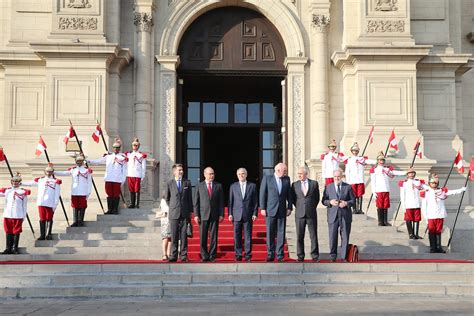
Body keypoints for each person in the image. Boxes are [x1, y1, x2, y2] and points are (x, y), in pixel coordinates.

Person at [420, 173, 466, 253]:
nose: (434, 184)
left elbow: (452, 192)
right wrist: (426, 218)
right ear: (429, 183)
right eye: (432, 183)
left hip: (440, 214)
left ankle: (438, 247)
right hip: (431, 215)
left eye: (435, 183)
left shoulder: (441, 191)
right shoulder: (426, 192)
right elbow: (424, 207)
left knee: (438, 231)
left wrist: (461, 190)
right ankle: (432, 248)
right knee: (432, 231)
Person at [259, 162, 293, 262]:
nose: (286, 172)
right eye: (285, 171)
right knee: (270, 233)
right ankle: (270, 254)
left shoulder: (287, 179)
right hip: (270, 210)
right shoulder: (267, 178)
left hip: (282, 210)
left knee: (281, 232)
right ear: (278, 170)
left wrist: (290, 207)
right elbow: (262, 194)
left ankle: (280, 255)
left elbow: (289, 195)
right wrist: (262, 208)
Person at [321, 169, 356, 262]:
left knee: (345, 236)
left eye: (338, 176)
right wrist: (330, 202)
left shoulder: (348, 187)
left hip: (345, 215)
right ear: (333, 177)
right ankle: (333, 256)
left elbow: (353, 201)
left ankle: (344, 256)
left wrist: (346, 203)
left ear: (342, 177)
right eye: (335, 176)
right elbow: (323, 200)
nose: (337, 178)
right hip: (333, 215)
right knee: (332, 236)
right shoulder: (328, 187)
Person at [88, 138, 127, 215]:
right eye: (115, 148)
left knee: (115, 194)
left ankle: (115, 209)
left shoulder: (122, 157)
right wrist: (88, 160)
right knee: (109, 194)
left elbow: (124, 170)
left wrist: (123, 179)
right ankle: (110, 209)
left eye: (117, 148)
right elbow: (98, 161)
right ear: (113, 148)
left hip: (117, 178)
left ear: (119, 149)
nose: (116, 149)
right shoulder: (108, 156)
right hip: (109, 178)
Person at [23, 163, 62, 240]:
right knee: (42, 218)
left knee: (49, 218)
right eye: (47, 171)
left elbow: (57, 194)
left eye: (50, 171)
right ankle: (42, 235)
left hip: (50, 202)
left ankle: (48, 234)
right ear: (44, 172)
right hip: (41, 202)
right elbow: (31, 183)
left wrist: (55, 204)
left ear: (52, 172)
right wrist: (21, 183)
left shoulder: (55, 181)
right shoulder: (40, 180)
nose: (48, 173)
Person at [193, 167, 224, 262]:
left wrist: (221, 214)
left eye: (213, 174)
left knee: (214, 236)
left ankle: (212, 255)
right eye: (210, 174)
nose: (211, 176)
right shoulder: (199, 186)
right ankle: (204, 255)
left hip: (214, 214)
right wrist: (196, 215)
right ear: (205, 174)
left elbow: (221, 201)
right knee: (203, 236)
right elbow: (196, 202)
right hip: (203, 214)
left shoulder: (218, 186)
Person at [228, 168, 258, 262]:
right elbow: (230, 201)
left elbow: (255, 201)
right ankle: (238, 254)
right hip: (236, 215)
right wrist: (230, 213)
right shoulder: (233, 186)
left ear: (246, 175)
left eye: (243, 174)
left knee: (248, 236)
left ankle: (248, 254)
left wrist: (255, 213)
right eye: (239, 174)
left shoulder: (252, 186)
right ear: (237, 175)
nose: (241, 175)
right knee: (237, 236)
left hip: (248, 214)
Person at [291, 166, 320, 262]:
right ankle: (300, 255)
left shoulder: (314, 184)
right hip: (299, 214)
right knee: (300, 236)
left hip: (311, 213)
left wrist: (310, 207)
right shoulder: (294, 185)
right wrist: (300, 207)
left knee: (313, 235)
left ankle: (315, 255)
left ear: (306, 174)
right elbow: (294, 199)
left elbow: (317, 198)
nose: (299, 175)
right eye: (298, 174)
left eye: (301, 173)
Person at [55, 154, 93, 227]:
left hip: (83, 191)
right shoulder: (73, 170)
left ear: (83, 162)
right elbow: (64, 173)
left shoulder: (87, 171)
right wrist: (54, 172)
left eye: (80, 161)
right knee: (75, 206)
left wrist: (88, 192)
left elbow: (89, 182)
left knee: (82, 206)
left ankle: (80, 221)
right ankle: (75, 221)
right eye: (77, 161)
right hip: (75, 191)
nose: (79, 162)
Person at [165, 163, 193, 263]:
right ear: (174, 172)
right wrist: (173, 206)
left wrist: (190, 212)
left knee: (184, 236)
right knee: (174, 235)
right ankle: (173, 256)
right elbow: (167, 198)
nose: (181, 171)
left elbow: (190, 199)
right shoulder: (169, 183)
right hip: (174, 213)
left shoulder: (187, 183)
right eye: (179, 170)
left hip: (185, 213)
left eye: (182, 170)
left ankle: (184, 256)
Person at [370, 151, 405, 226]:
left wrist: (405, 172)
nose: (381, 161)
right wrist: (373, 192)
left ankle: (385, 221)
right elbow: (373, 181)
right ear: (377, 161)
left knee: (385, 205)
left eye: (382, 160)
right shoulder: (375, 170)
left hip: (386, 189)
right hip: (378, 190)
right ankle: (380, 221)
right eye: (380, 160)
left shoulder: (387, 169)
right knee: (380, 205)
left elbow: (394, 172)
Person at [0, 173, 31, 254]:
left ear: (19, 182)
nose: (15, 183)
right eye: (13, 181)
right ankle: (8, 248)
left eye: (16, 181)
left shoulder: (23, 192)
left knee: (16, 231)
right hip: (8, 214)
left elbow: (24, 205)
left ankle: (15, 248)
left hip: (18, 215)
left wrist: (23, 216)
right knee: (8, 231)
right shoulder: (8, 191)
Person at [344, 142, 376, 214]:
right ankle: (354, 209)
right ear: (351, 151)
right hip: (352, 180)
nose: (355, 152)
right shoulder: (349, 160)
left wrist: (377, 161)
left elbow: (370, 161)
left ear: (358, 151)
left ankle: (360, 209)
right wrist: (348, 181)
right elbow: (347, 171)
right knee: (353, 195)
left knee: (360, 195)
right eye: (354, 151)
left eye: (356, 151)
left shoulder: (361, 159)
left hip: (360, 180)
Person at [399, 167, 427, 239]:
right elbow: (402, 195)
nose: (411, 174)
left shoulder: (418, 182)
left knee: (417, 219)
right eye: (410, 173)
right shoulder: (404, 183)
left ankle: (416, 234)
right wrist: (403, 205)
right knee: (409, 219)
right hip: (408, 204)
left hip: (417, 203)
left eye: (413, 173)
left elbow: (426, 187)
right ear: (407, 174)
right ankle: (411, 234)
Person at [125, 138, 147, 209]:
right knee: (131, 189)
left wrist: (142, 175)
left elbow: (143, 166)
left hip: (137, 174)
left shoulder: (141, 155)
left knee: (136, 189)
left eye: (136, 145)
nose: (135, 147)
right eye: (134, 145)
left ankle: (137, 204)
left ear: (138, 146)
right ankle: (132, 203)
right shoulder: (128, 154)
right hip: (130, 174)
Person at [160, 194, 171, 261]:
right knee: (165, 238)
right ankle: (164, 254)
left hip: (172, 220)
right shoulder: (163, 200)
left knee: (171, 239)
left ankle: (169, 254)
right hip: (165, 221)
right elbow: (165, 210)